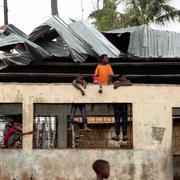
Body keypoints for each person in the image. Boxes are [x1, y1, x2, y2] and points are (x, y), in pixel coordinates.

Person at [112, 75, 132, 142]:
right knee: (117, 120)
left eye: (125, 77)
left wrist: (119, 85)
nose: (125, 78)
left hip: (124, 104)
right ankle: (117, 135)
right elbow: (115, 85)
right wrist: (120, 84)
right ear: (119, 78)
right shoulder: (116, 81)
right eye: (123, 77)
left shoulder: (126, 82)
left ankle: (124, 135)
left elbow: (130, 83)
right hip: (117, 104)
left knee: (124, 121)